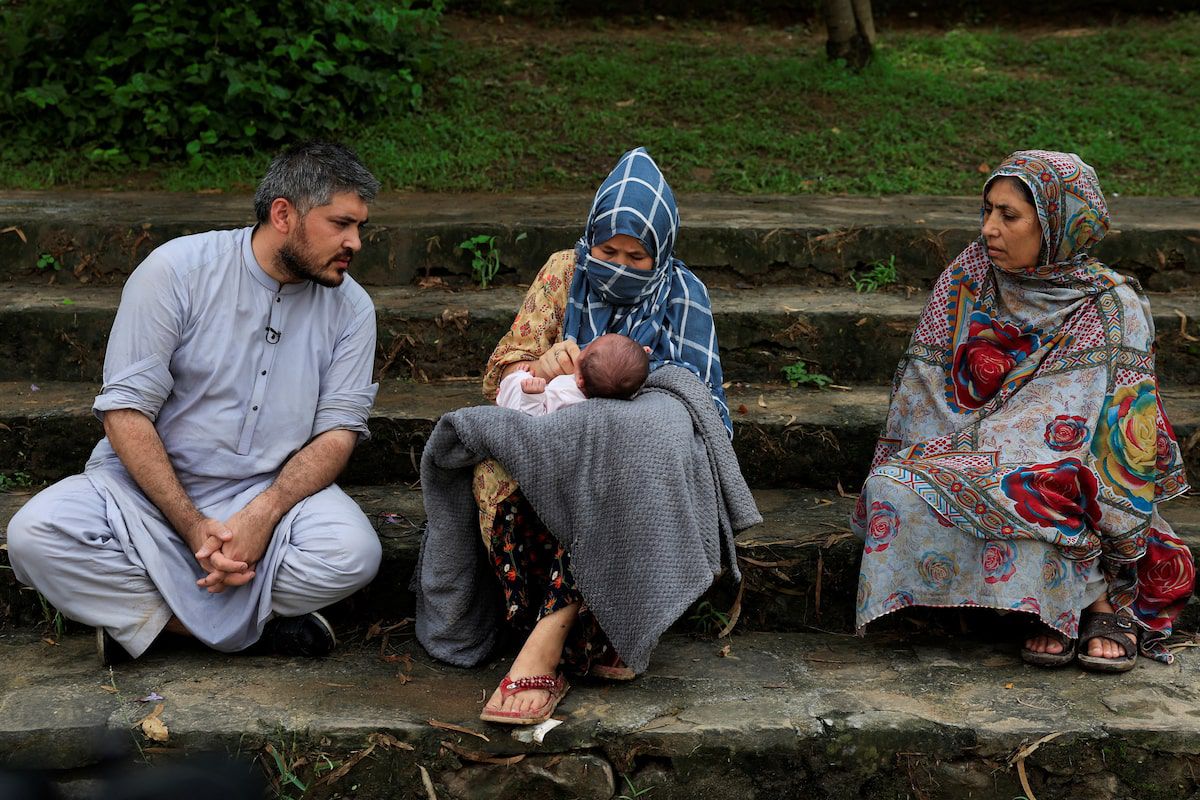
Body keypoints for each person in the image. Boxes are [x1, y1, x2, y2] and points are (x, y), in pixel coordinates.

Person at [413, 147, 759, 726]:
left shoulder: (684, 295)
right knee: (492, 467)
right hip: (550, 433)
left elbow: (702, 410)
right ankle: (558, 632)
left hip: (636, 452)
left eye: (637, 255)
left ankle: (557, 640)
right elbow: (502, 371)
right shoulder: (561, 272)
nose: (619, 264)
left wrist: (628, 415)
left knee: (631, 459)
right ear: (589, 240)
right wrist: (544, 366)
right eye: (608, 250)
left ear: (662, 253)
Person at [5, 141, 384, 665]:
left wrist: (265, 513)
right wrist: (189, 523)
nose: (355, 242)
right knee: (34, 534)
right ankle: (237, 632)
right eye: (341, 224)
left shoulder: (353, 309)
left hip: (270, 494)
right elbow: (125, 411)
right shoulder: (177, 271)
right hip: (148, 495)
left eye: (360, 227)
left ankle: (147, 624)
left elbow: (337, 433)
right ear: (283, 214)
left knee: (353, 555)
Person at [851, 150, 1194, 673]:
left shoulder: (1111, 302)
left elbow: (1116, 429)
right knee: (892, 485)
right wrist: (962, 451)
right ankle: (1052, 602)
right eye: (987, 210)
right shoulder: (970, 274)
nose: (989, 228)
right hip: (972, 449)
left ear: (1058, 224)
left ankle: (1091, 599)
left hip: (1071, 464)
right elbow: (925, 387)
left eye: (1008, 216)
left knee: (1047, 488)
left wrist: (1017, 456)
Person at [496, 333, 650, 416]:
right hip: (547, 393)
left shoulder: (566, 401)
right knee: (521, 379)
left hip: (530, 410)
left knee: (519, 382)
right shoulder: (618, 389)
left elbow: (533, 422)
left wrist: (532, 396)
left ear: (580, 379)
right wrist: (640, 356)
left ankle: (504, 400)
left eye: (584, 352)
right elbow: (628, 376)